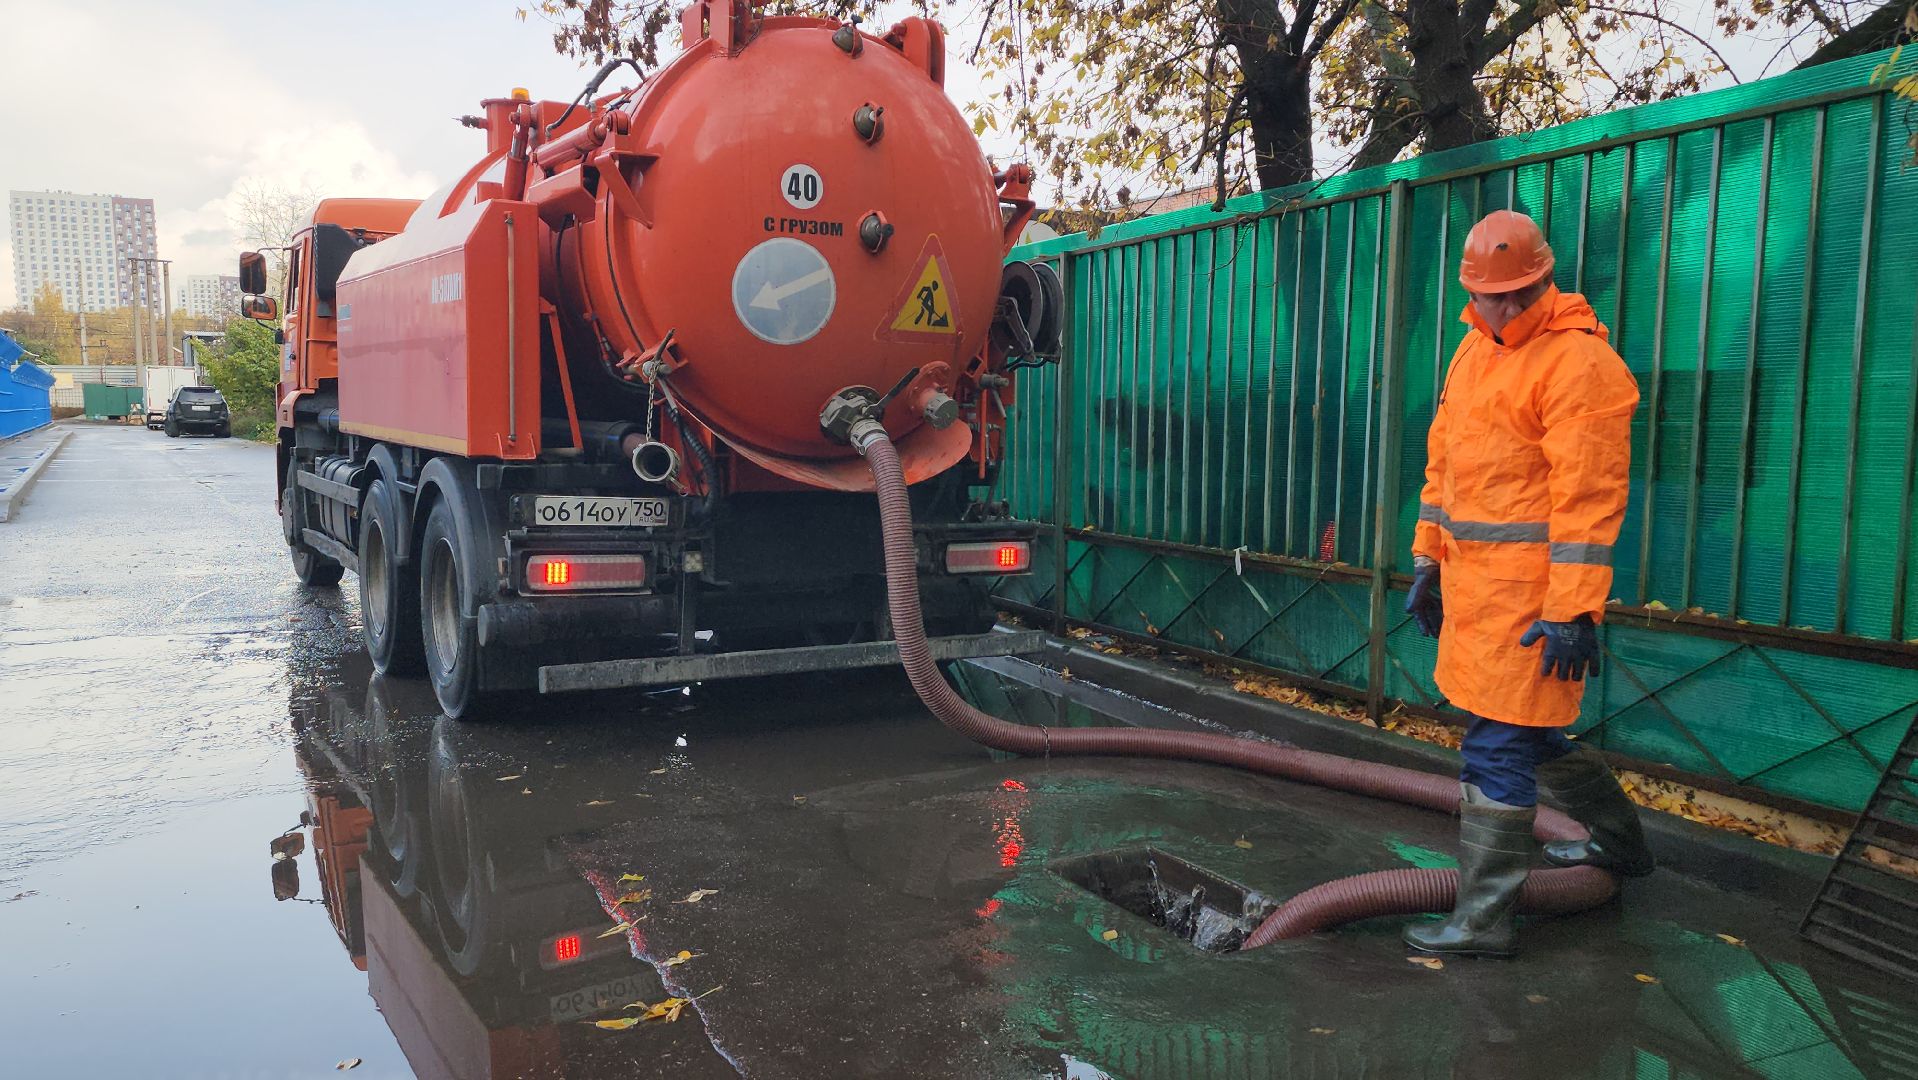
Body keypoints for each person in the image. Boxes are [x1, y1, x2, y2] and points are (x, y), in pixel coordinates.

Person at [1401, 210, 1652, 959]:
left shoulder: (1580, 366)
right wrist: (1428, 559)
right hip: (1477, 595)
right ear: (1470, 293)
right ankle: (1624, 848)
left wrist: (1575, 611)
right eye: (1489, 296)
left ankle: (1480, 922)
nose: (1503, 309)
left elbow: (1588, 501)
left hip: (1532, 603)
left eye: (1518, 294)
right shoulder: (1470, 355)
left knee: (1495, 748)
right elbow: (1442, 471)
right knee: (1532, 734)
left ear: (1544, 280)